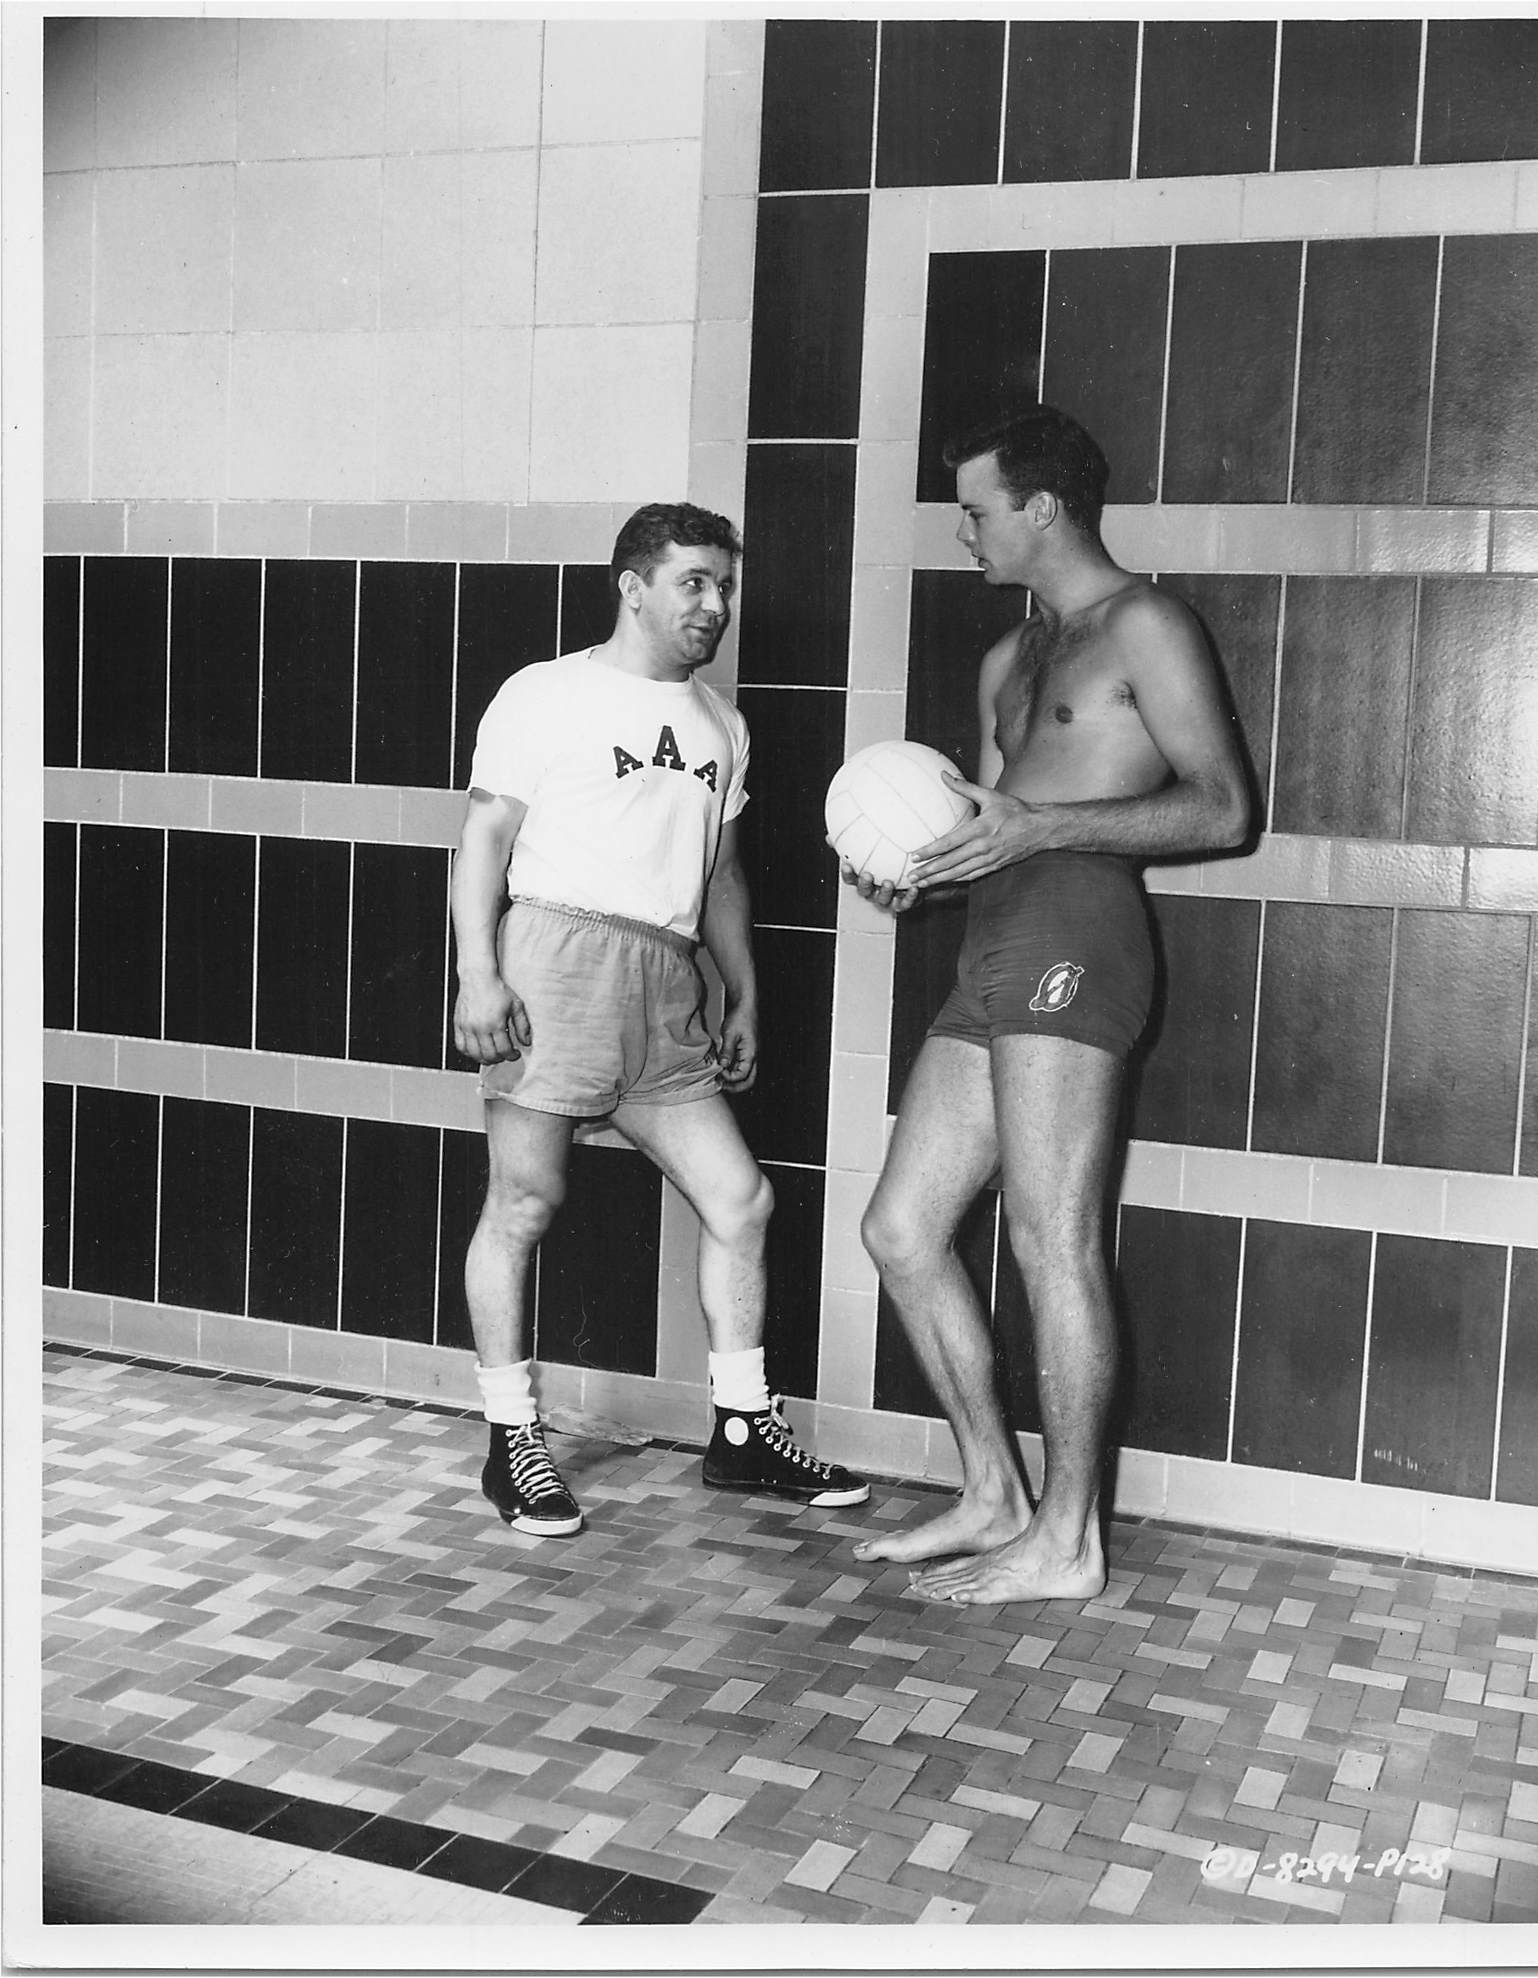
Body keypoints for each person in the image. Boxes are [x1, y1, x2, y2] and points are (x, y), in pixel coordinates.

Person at [847, 407, 1250, 1604]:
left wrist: (1042, 828)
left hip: (1080, 933)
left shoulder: (1148, 625)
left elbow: (1224, 808)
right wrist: (912, 865)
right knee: (903, 1229)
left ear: (1041, 508)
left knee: (1047, 1235)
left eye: (974, 509)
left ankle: (1068, 1539)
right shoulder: (1006, 660)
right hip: (993, 943)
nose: (961, 529)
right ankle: (992, 1492)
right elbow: (986, 823)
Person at [452, 502, 868, 1537]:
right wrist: (475, 975)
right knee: (525, 1202)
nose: (714, 604)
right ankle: (513, 1442)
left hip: (669, 980)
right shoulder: (546, 694)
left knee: (742, 1199)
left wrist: (743, 989)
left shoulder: (723, 723)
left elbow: (720, 871)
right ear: (631, 585)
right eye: (691, 581)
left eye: (723, 584)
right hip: (555, 955)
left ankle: (738, 1428)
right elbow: (484, 836)